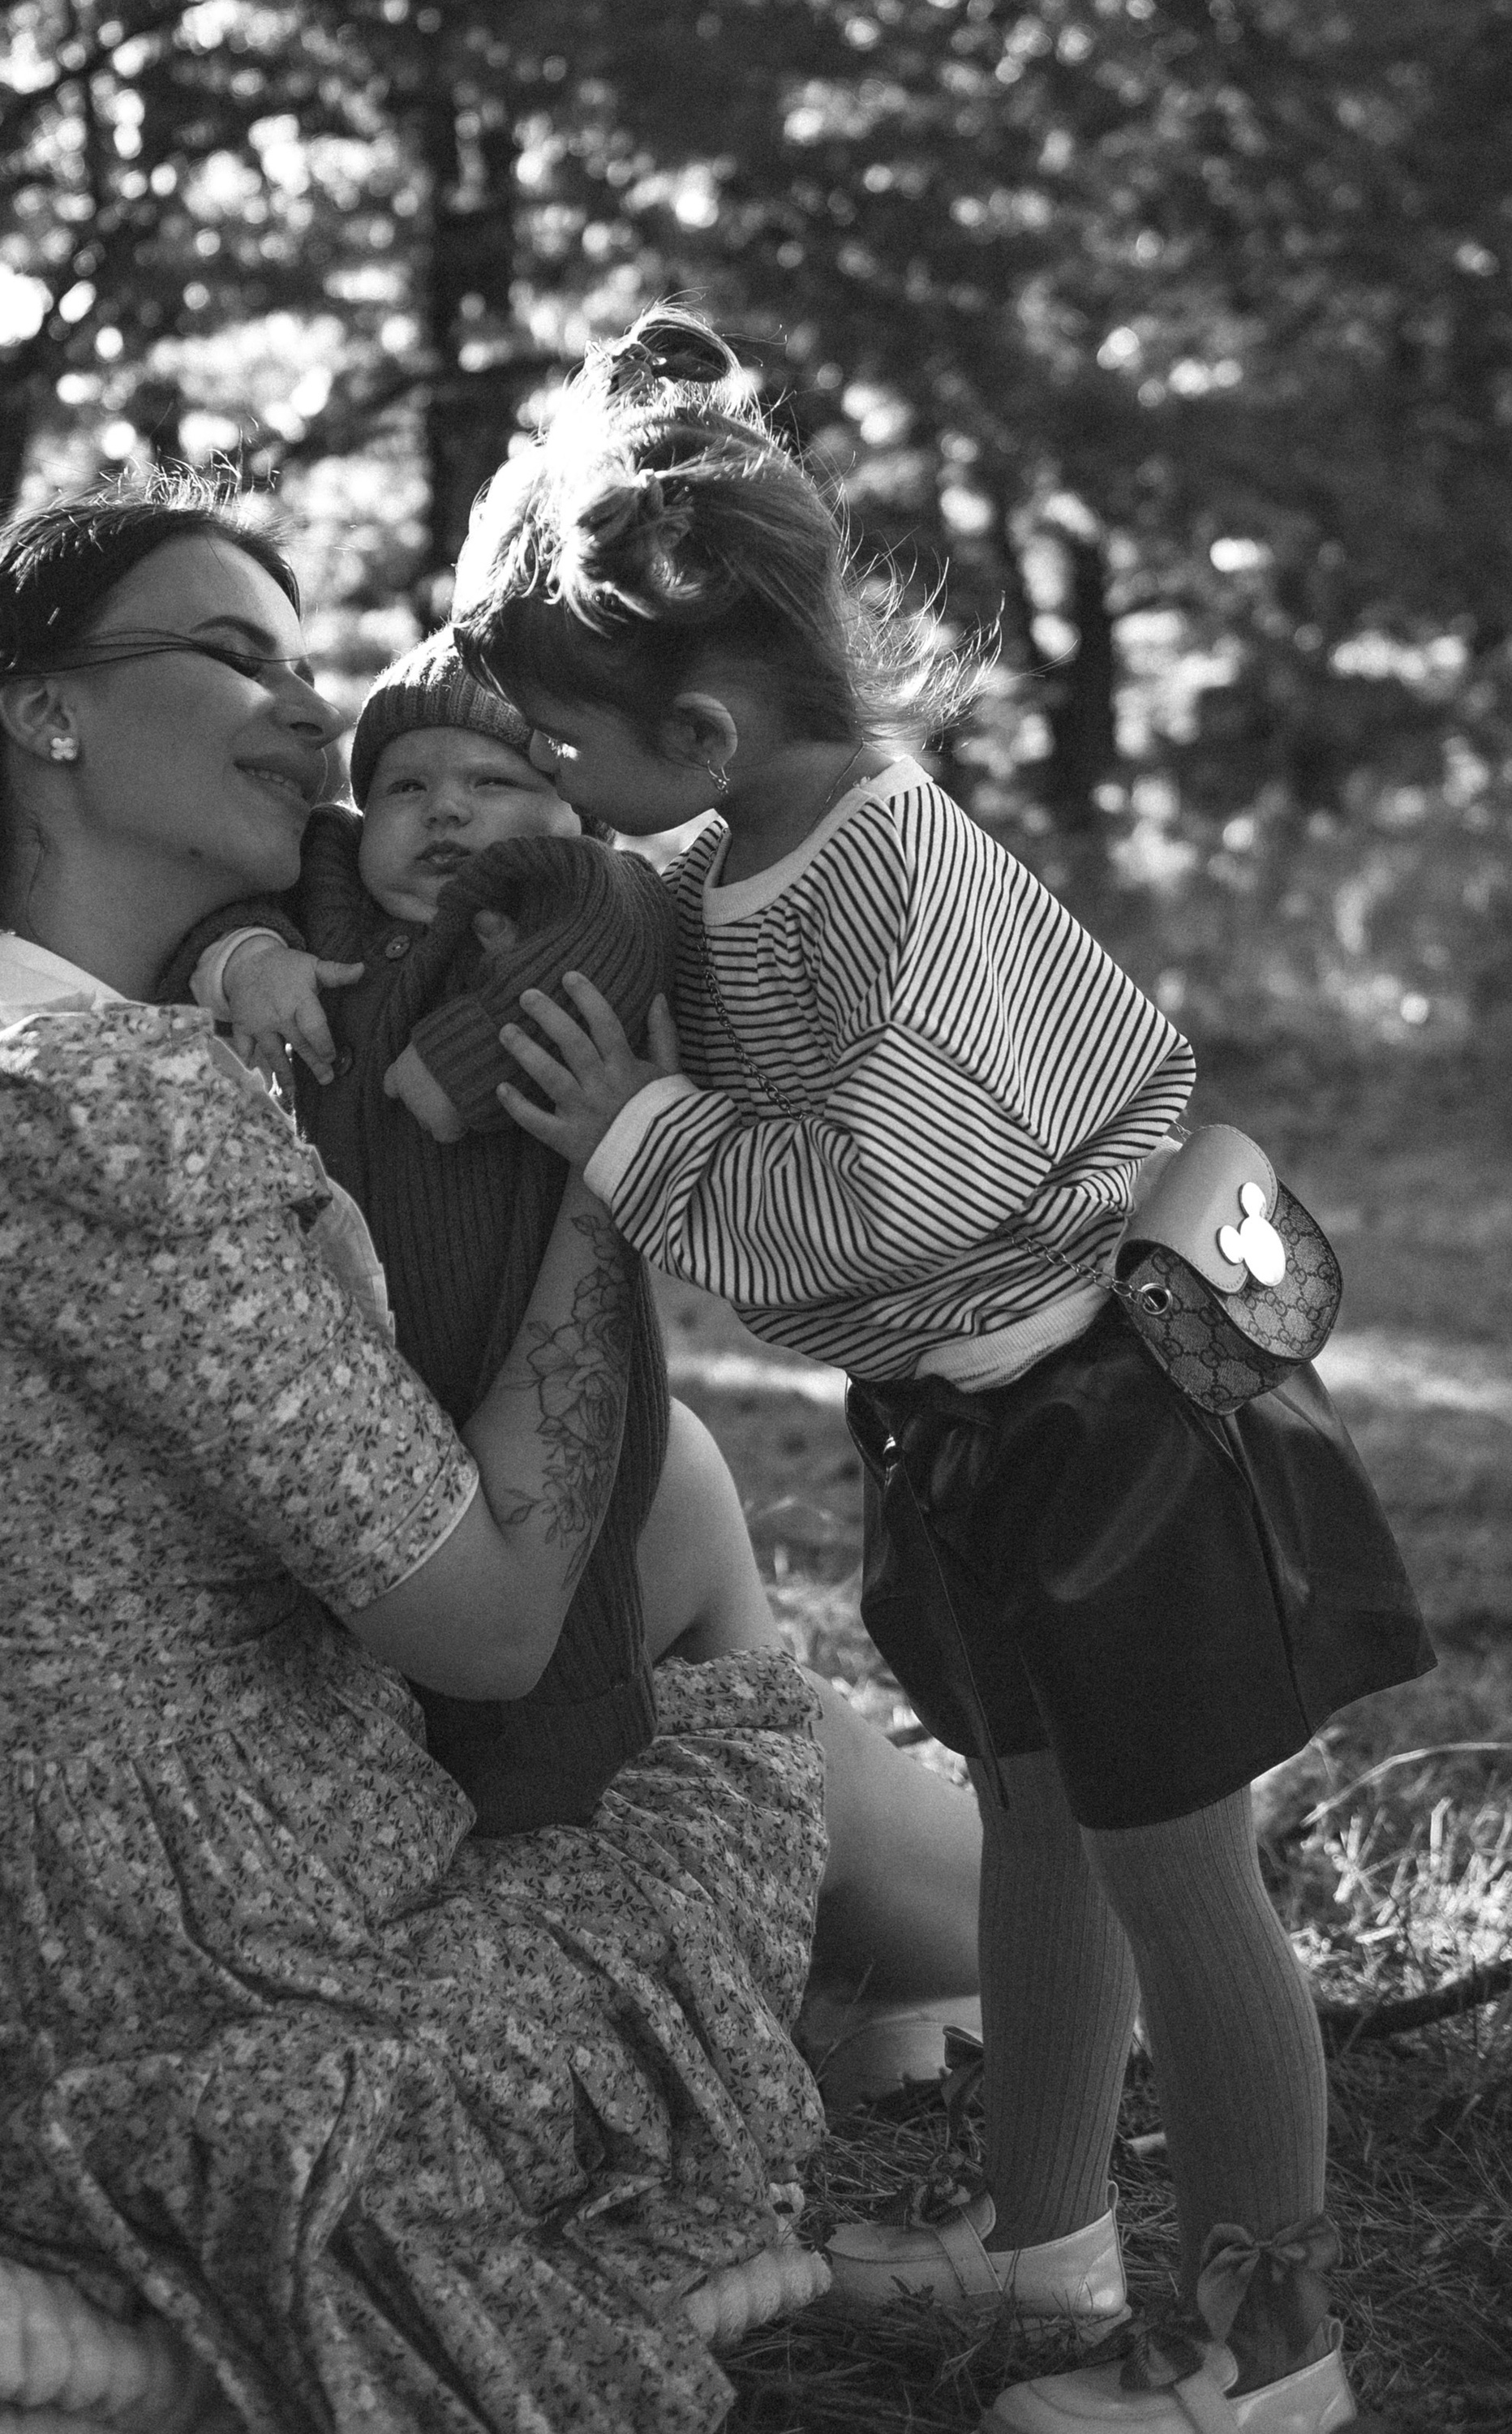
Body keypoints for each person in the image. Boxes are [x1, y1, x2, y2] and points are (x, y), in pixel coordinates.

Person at [0, 477, 837, 2434]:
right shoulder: (88, 1105)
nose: (310, 719)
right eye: (235, 656)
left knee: (698, 1507)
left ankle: (1027, 1938)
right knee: (716, 1670)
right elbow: (483, 1619)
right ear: (42, 711)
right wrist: (610, 1177)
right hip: (173, 1944)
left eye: (308, 669)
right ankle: (1064, 1936)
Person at [446, 314, 1434, 2434]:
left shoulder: (900, 873)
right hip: (989, 1437)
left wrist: (636, 1132)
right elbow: (658, 908)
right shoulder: (742, 846)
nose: (548, 781)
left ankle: (1270, 2364)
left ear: (703, 722)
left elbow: (884, 1187)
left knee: (1184, 1873)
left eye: (556, 744)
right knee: (1039, 1829)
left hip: (1122, 1432)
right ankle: (1044, 2237)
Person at [168, 626, 986, 2059]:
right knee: (505, 1718)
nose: (448, 813)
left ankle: (1050, 1969)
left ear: (572, 802)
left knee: (588, 1725)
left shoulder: (579, 882)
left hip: (551, 1419)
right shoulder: (334, 919)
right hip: (394, 1441)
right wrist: (244, 961)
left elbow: (606, 942)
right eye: (409, 786)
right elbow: (237, 902)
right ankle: (895, 1992)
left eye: (495, 781)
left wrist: (447, 1073)